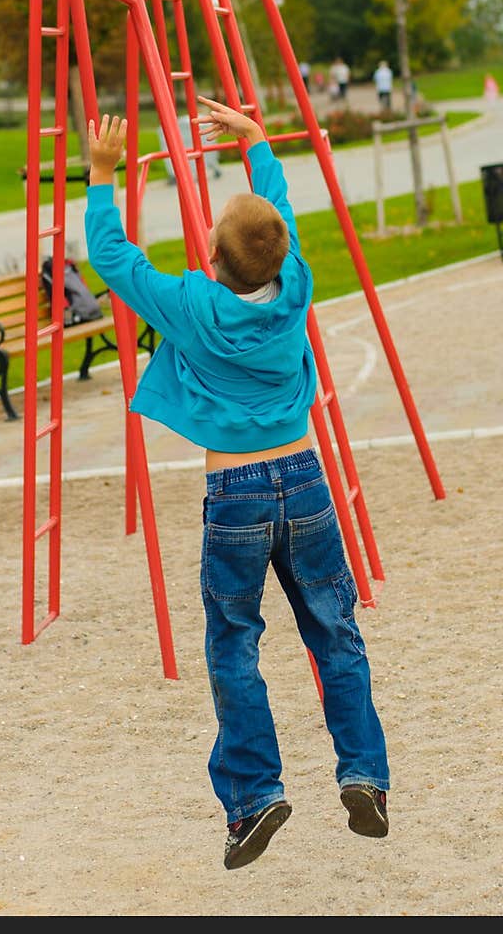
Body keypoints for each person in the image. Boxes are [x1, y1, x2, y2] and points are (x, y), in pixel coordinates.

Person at [84, 97, 390, 871]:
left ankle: (256, 795)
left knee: (233, 641)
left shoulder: (192, 305)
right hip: (306, 477)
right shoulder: (296, 287)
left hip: (238, 495)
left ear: (212, 255)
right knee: (335, 629)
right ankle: (365, 774)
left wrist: (100, 175)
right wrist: (257, 144)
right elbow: (276, 212)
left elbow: (115, 259)